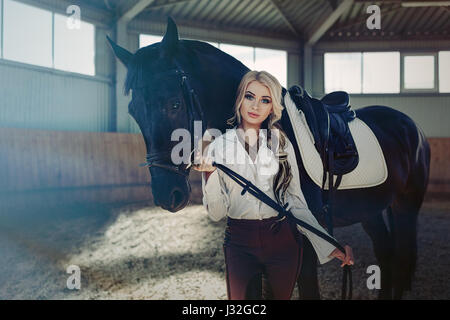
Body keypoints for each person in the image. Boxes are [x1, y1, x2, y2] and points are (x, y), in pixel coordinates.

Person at [193, 70, 353, 300]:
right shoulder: (218, 147)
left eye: (265, 100)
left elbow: (295, 201)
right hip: (240, 244)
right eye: (250, 96)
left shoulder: (282, 143)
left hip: (283, 241)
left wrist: (329, 245)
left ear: (272, 107)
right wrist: (211, 176)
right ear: (240, 99)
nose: (255, 106)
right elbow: (217, 214)